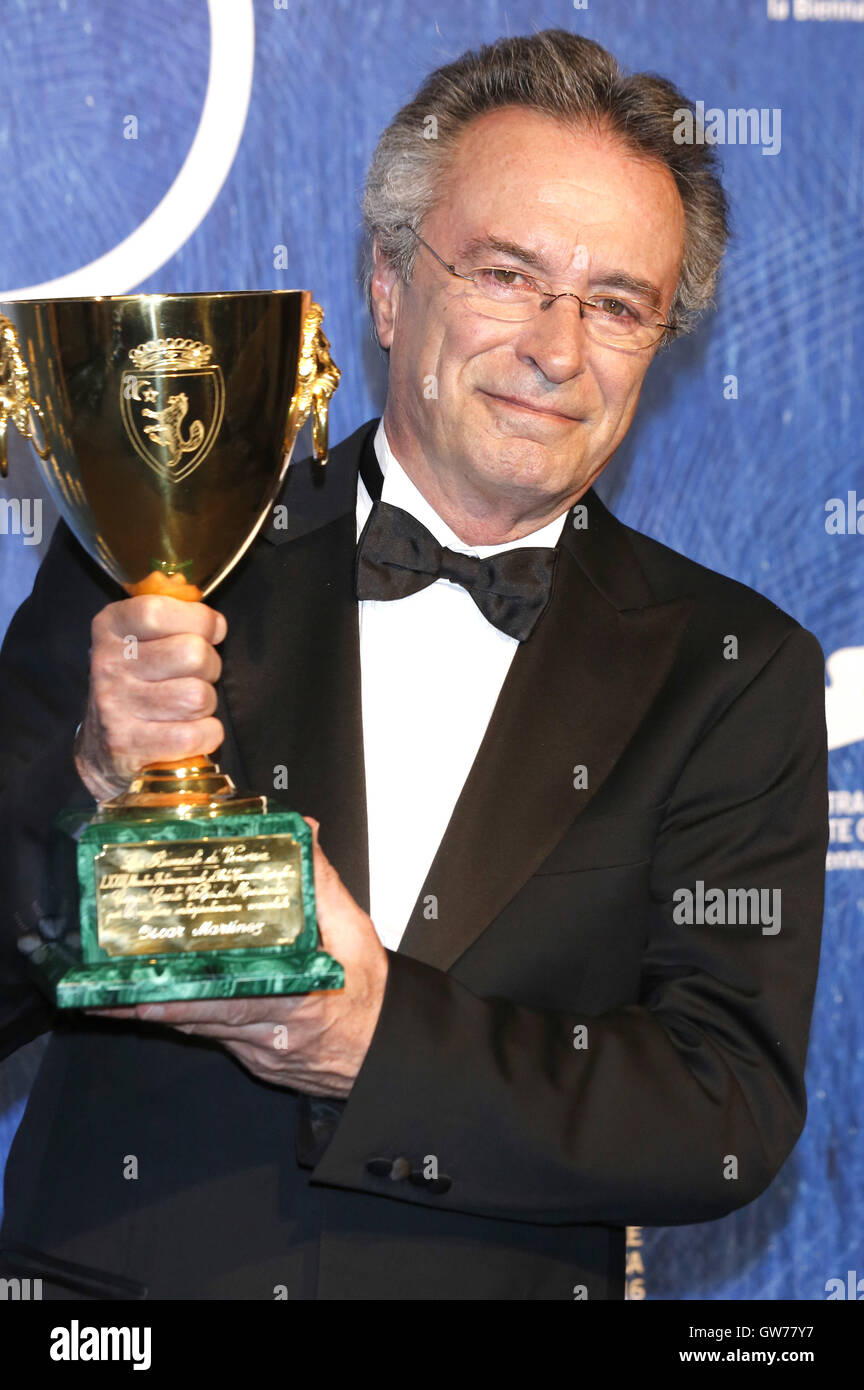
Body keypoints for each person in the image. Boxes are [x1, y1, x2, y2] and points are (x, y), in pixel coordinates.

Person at [0, 30, 827, 1301]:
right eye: (507, 273)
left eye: (617, 302)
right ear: (389, 287)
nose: (559, 348)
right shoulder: (158, 558)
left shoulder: (735, 669)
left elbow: (724, 1108)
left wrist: (371, 1040)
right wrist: (89, 784)